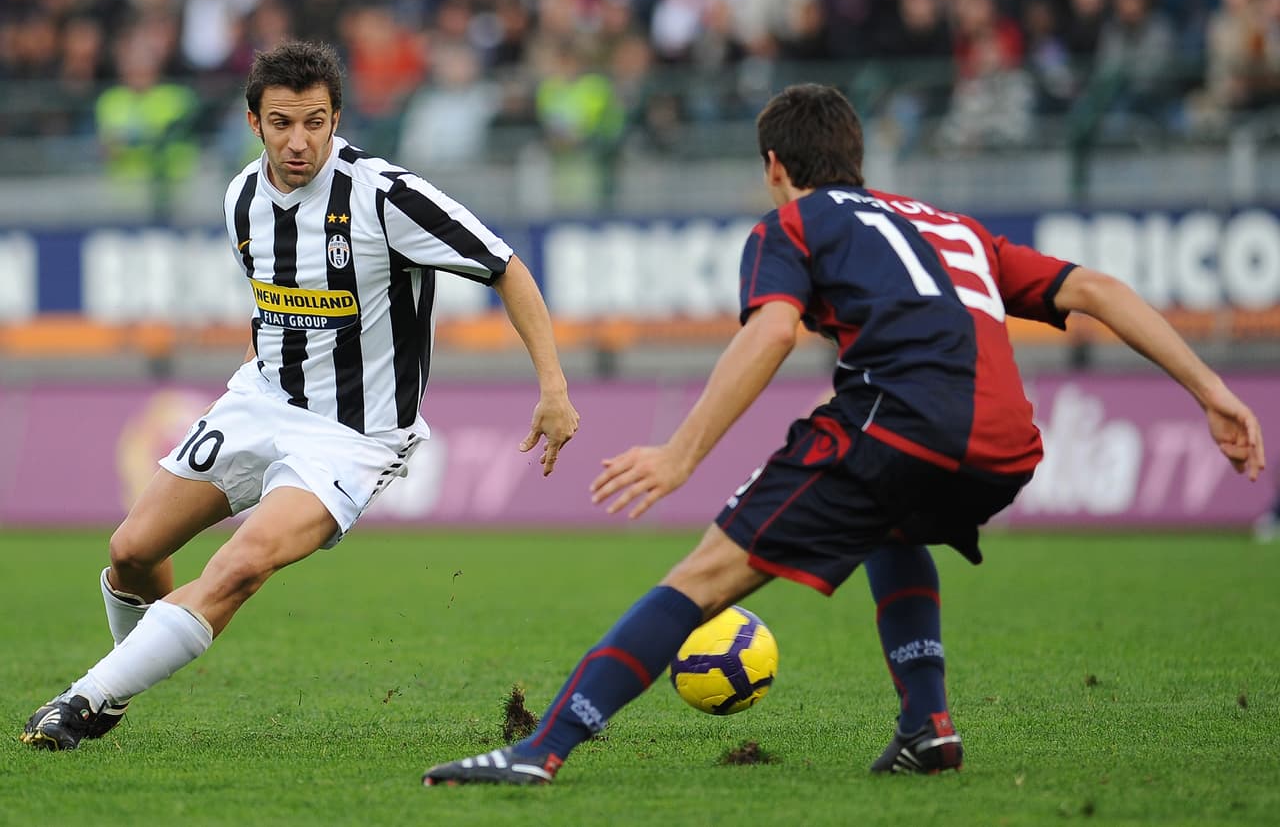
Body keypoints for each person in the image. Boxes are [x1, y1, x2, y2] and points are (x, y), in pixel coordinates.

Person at [421, 83, 1264, 786]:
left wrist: (680, 454)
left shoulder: (792, 225)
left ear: (774, 167)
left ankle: (542, 749)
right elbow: (1099, 291)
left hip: (897, 422)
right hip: (1008, 444)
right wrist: (1212, 389)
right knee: (891, 526)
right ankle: (927, 725)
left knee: (704, 576)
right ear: (856, 158)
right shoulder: (954, 228)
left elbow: (772, 333)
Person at [21, 40, 580, 751]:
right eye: (282, 123)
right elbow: (270, 303)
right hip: (261, 400)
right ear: (254, 122)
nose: (299, 141)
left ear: (337, 118)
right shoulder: (241, 199)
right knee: (131, 550)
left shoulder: (383, 195)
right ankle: (130, 679)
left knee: (241, 565)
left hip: (354, 435)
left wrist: (554, 388)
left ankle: (89, 698)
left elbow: (504, 266)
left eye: (315, 122)